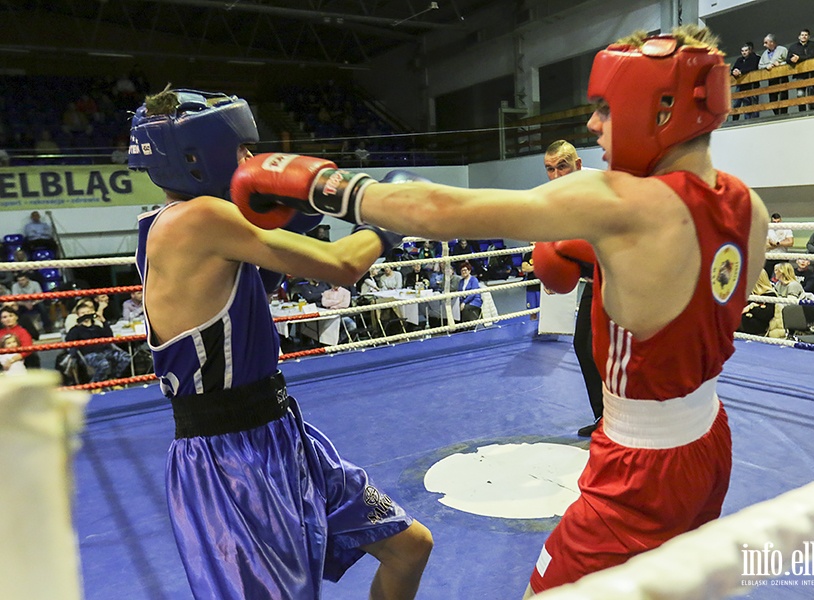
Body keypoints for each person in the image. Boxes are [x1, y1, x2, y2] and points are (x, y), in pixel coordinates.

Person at [230, 25, 768, 595]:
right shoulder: (748, 206)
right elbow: (684, 313)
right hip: (708, 439)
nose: (593, 126)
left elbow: (444, 208)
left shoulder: (622, 202)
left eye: (606, 109)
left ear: (656, 108)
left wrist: (325, 185)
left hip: (640, 465)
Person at [127, 86, 432, 599]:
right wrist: (392, 216)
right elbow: (342, 265)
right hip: (229, 462)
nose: (250, 159)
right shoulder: (200, 219)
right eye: (241, 149)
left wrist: (294, 218)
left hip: (284, 435)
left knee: (409, 546)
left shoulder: (167, 227)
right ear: (196, 155)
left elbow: (244, 299)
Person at [538, 140, 604, 438]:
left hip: (622, 281)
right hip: (594, 281)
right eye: (550, 169)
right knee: (582, 345)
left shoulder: (599, 188)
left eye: (561, 167)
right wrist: (550, 272)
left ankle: (629, 421)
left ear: (577, 165)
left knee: (606, 351)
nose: (555, 175)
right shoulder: (554, 198)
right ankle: (604, 417)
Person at [64, 303, 131, 383]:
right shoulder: (76, 330)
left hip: (105, 351)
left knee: (126, 357)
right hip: (89, 354)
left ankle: (113, 379)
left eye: (88, 312)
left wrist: (103, 321)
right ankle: (95, 384)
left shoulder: (97, 327)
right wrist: (77, 325)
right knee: (104, 364)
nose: (86, 315)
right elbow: (68, 340)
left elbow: (109, 337)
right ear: (78, 315)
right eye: (83, 313)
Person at [787, 29, 814, 111]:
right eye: (802, 35)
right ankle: (802, 111)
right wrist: (792, 60)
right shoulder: (793, 47)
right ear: (799, 37)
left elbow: (812, 55)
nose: (804, 36)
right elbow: (787, 59)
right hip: (799, 73)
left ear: (809, 36)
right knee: (800, 94)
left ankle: (812, 111)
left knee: (811, 92)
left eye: (805, 35)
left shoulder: (813, 44)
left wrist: (799, 58)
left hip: (811, 73)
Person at [738, 270, 778, 336]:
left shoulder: (770, 294)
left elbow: (767, 314)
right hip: (748, 322)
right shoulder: (749, 294)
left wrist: (751, 308)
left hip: (761, 325)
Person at [759, 34, 788, 115]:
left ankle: (784, 115)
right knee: (773, 99)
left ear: (771, 42)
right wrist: (767, 66)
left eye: (766, 42)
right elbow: (760, 66)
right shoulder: (765, 54)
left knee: (783, 97)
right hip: (771, 79)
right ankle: (777, 115)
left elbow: (788, 61)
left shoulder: (782, 49)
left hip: (782, 77)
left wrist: (780, 64)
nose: (764, 45)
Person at [730, 42, 760, 120]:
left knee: (753, 104)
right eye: (742, 51)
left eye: (746, 50)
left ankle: (754, 120)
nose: (744, 52)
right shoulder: (739, 60)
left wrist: (741, 71)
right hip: (741, 85)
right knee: (740, 104)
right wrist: (734, 71)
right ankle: (736, 120)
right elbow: (734, 68)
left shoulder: (754, 58)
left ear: (749, 51)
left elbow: (752, 67)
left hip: (752, 85)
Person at [765, 212, 793, 277]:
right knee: (766, 276)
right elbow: (767, 245)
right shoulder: (767, 229)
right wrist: (783, 242)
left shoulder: (786, 228)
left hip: (782, 256)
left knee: (784, 276)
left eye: (778, 222)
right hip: (770, 257)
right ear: (771, 222)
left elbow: (790, 243)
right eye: (774, 222)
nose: (776, 224)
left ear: (781, 220)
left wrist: (776, 243)